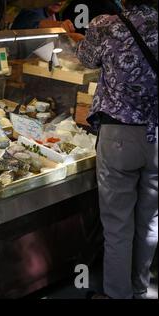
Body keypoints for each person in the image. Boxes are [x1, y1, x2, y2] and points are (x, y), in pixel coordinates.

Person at [76, 0, 158, 299]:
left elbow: (84, 58)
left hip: (119, 135)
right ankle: (139, 289)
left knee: (118, 225)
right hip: (157, 135)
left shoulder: (105, 25)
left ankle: (116, 295)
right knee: (150, 221)